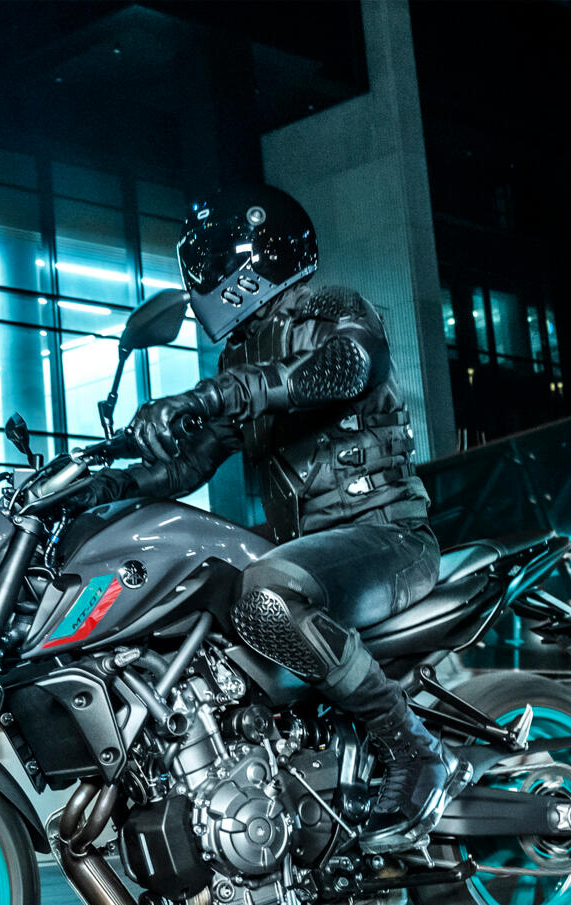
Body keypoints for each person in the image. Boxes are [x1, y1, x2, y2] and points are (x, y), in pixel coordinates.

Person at [91, 185, 466, 852]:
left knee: (264, 595)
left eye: (213, 259)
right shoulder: (239, 355)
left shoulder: (332, 307)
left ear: (255, 259)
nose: (202, 275)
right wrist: (107, 481)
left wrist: (215, 394)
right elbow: (189, 466)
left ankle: (414, 749)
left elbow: (346, 366)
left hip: (388, 534)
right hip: (315, 550)